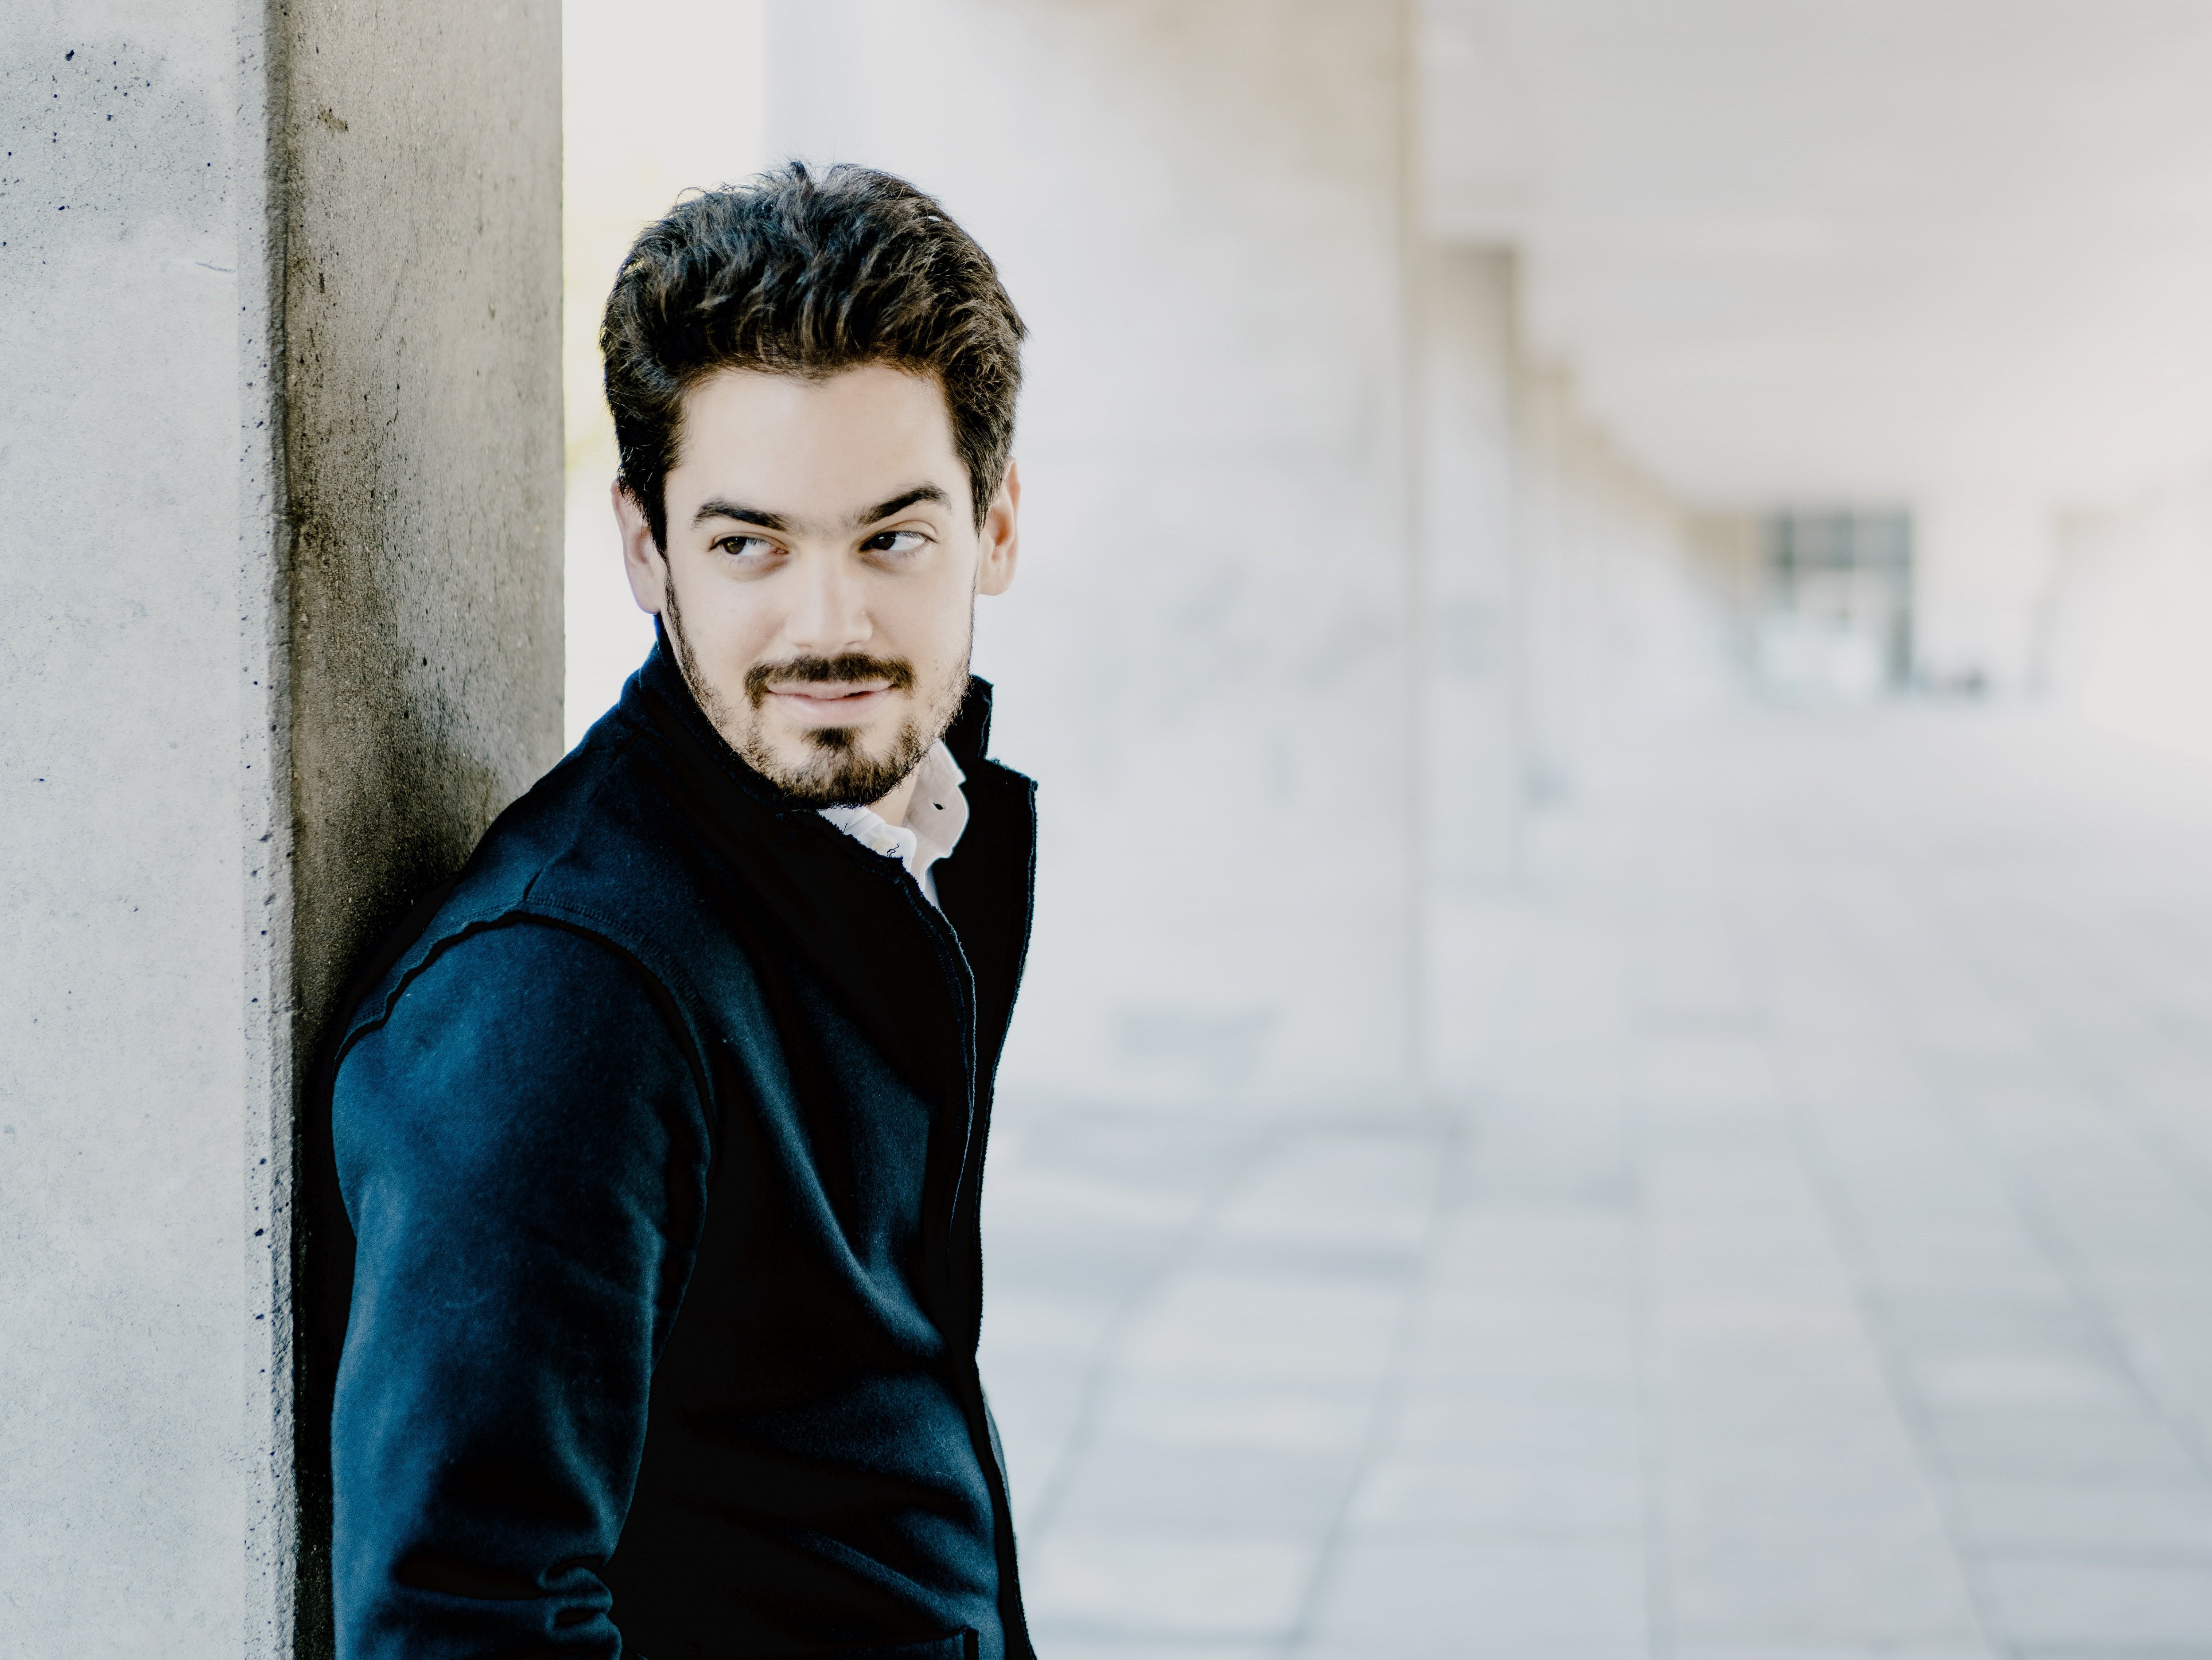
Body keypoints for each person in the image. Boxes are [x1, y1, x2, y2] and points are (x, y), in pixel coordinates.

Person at [303, 162, 1037, 1660]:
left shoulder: (911, 846)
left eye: (891, 537)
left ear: (998, 527)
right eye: (747, 542)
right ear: (646, 546)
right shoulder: (560, 999)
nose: (826, 623)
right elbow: (465, 1618)